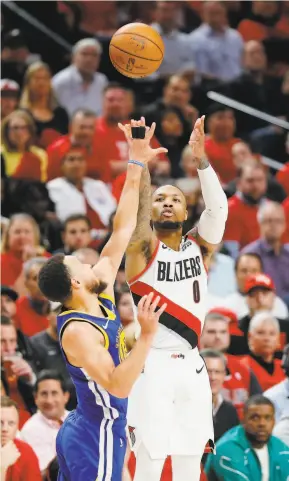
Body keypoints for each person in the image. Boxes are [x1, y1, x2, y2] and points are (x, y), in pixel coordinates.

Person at [37, 118, 168, 481]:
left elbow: (122, 228)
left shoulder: (99, 290)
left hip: (94, 425)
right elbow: (118, 384)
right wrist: (145, 335)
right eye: (78, 260)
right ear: (75, 281)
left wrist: (136, 162)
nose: (88, 257)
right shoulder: (78, 331)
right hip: (95, 433)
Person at [125, 116, 228, 481]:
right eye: (159, 200)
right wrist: (140, 162)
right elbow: (136, 215)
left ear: (186, 212)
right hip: (152, 364)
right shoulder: (139, 249)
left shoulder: (199, 248)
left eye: (175, 200)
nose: (166, 204)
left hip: (193, 365)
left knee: (188, 461)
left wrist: (202, 160)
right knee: (150, 461)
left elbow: (218, 211)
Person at [205, 395, 289, 481]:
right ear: (243, 420)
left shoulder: (282, 449)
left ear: (274, 421)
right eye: (255, 418)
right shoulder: (227, 449)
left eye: (267, 418)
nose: (262, 423)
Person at [21, 370, 70, 472]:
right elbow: (50, 472)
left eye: (54, 393)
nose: (49, 400)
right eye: (44, 394)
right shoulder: (30, 430)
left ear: (65, 396)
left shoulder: (82, 420)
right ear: (35, 398)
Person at [201, 349, 239, 442]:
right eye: (207, 371)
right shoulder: (180, 407)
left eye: (217, 372)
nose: (213, 377)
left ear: (224, 375)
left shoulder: (230, 411)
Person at [1, 396, 42, 481]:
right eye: (0, 422)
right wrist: (2, 467)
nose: (5, 429)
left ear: (17, 427)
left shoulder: (26, 451)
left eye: (11, 423)